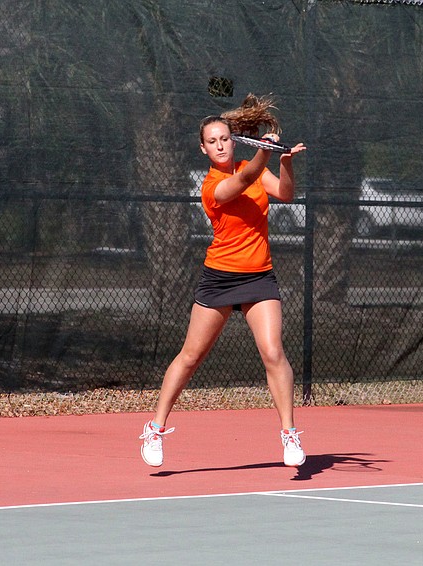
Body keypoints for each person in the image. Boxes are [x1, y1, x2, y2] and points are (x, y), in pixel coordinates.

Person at [140, 95, 308, 468]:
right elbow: (245, 179)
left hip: (260, 276)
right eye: (212, 141)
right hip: (219, 279)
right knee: (191, 357)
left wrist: (284, 163)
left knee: (273, 352)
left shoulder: (253, 164)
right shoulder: (212, 187)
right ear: (203, 148)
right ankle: (154, 427)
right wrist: (266, 150)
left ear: (233, 141)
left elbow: (285, 193)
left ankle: (288, 433)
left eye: (224, 139)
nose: (219, 145)